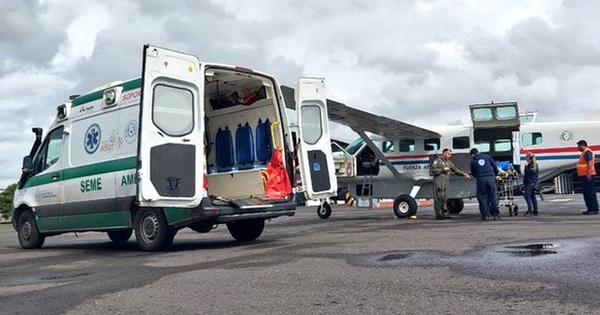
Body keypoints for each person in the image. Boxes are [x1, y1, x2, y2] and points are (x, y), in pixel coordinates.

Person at [430, 148, 471, 220]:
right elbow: (433, 171)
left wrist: (463, 174)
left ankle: (445, 213)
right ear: (444, 153)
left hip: (446, 183)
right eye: (449, 154)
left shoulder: (448, 163)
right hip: (439, 183)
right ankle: (438, 214)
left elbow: (455, 169)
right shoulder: (437, 161)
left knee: (445, 198)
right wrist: (442, 169)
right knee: (439, 198)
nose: (450, 156)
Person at [469, 148, 500, 220]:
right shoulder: (487, 157)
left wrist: (478, 176)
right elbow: (495, 167)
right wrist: (495, 174)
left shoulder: (473, 161)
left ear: (472, 154)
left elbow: (473, 173)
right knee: (493, 196)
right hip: (490, 178)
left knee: (482, 197)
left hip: (481, 179)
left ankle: (484, 215)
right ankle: (496, 214)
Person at [577, 140, 599, 215]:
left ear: (582, 145)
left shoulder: (587, 152)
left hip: (588, 175)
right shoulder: (585, 152)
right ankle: (590, 208)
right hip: (585, 175)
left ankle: (593, 209)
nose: (578, 148)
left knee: (590, 192)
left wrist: (589, 173)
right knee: (586, 193)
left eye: (578, 146)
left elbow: (590, 163)